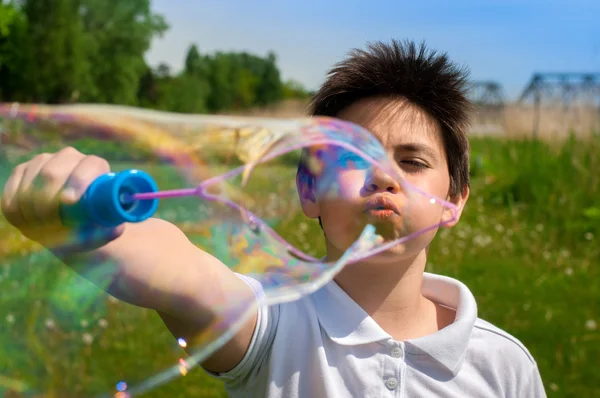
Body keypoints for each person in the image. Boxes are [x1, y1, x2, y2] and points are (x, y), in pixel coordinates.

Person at [1, 39, 546, 397]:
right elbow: (178, 270)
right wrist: (86, 224)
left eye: (413, 162)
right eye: (354, 160)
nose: (384, 177)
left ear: (455, 202)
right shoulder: (274, 323)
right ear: (308, 191)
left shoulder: (503, 366)